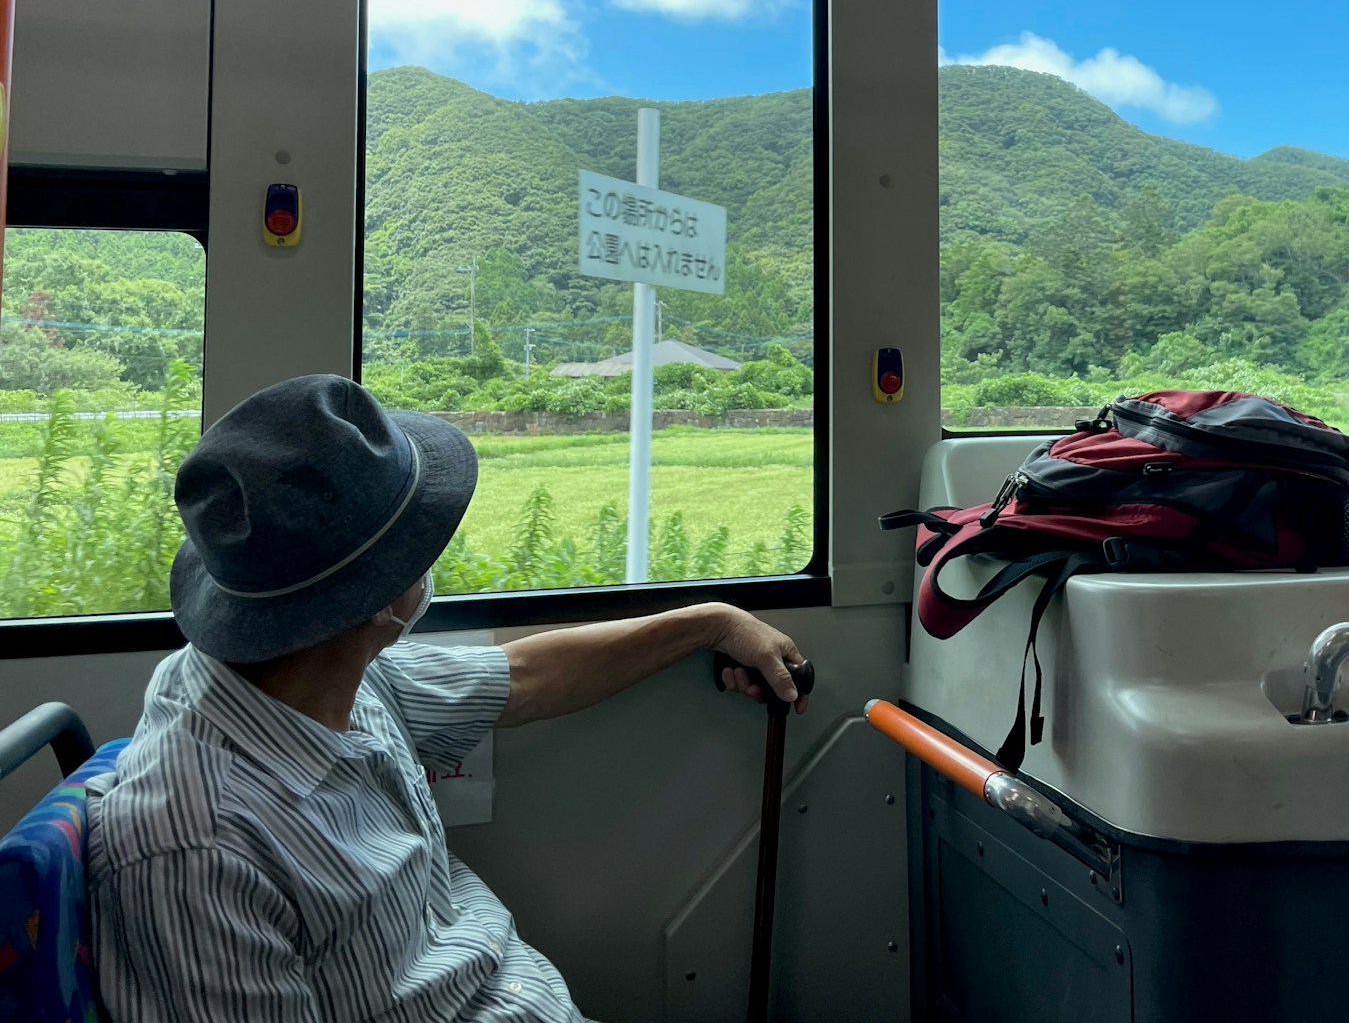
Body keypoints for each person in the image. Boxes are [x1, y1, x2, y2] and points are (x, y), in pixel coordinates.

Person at [85, 374, 808, 1022]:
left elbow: (523, 678)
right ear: (374, 599)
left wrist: (711, 623)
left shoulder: (337, 677)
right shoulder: (197, 851)